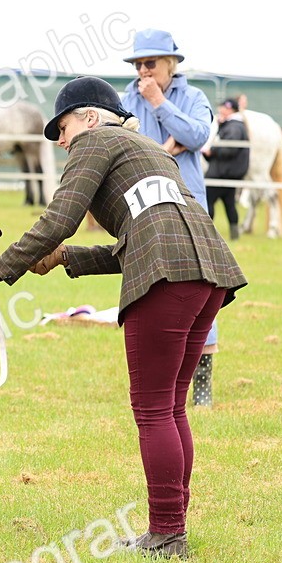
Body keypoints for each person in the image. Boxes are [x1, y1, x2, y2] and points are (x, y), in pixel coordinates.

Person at [0, 76, 246, 560]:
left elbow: (60, 216)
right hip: (210, 273)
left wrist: (1, 266)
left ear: (91, 118)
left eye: (64, 125)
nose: (58, 138)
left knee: (155, 410)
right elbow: (137, 239)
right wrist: (66, 258)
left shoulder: (94, 141)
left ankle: (166, 536)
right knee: (173, 408)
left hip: (168, 276)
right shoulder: (146, 149)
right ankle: (171, 529)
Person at [121, 29, 220, 407]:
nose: (143, 71)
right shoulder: (124, 99)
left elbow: (197, 135)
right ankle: (160, 379)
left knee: (201, 290)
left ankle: (202, 387)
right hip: (143, 205)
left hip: (189, 203)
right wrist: (165, 149)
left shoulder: (193, 97)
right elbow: (124, 144)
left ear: (170, 65)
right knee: (151, 289)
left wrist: (160, 103)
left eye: (150, 63)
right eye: (138, 64)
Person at [203, 99, 250, 239]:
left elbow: (229, 149)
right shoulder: (235, 125)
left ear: (230, 110)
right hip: (228, 173)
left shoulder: (233, 127)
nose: (220, 110)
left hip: (221, 173)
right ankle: (234, 235)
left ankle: (206, 233)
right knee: (230, 205)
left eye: (223, 107)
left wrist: (212, 151)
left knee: (207, 201)